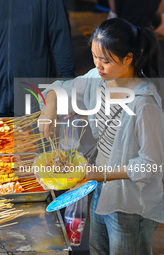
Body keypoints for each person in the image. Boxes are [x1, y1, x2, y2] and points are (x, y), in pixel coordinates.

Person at [39, 18, 164, 254]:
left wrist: (101, 173)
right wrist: (49, 108)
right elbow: (59, 88)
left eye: (105, 60)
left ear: (129, 58)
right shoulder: (98, 80)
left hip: (130, 202)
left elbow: (151, 165)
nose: (98, 65)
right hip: (100, 188)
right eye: (95, 57)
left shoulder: (145, 104)